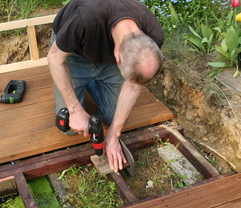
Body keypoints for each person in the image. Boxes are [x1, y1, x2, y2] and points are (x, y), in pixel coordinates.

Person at [47, 0, 164, 173]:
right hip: (74, 54)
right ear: (117, 57)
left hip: (106, 57)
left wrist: (114, 135)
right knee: (71, 129)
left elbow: (134, 85)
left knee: (112, 118)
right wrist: (75, 110)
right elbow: (54, 58)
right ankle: (83, 81)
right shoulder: (85, 19)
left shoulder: (154, 35)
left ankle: (91, 83)